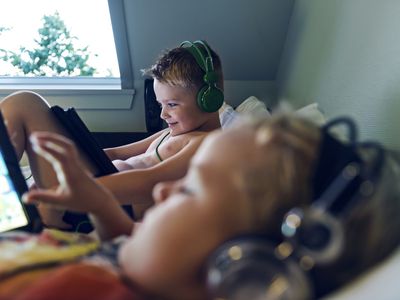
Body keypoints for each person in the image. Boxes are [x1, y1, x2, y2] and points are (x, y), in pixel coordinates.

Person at [21, 113, 400, 299]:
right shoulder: (156, 278)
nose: (162, 193)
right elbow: (128, 252)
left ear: (243, 275)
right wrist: (101, 206)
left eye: (188, 191)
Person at [0, 40, 224, 227]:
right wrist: (63, 165)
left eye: (172, 104)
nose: (163, 114)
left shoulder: (207, 145)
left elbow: (149, 184)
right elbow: (116, 152)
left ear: (209, 99)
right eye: (160, 104)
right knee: (23, 103)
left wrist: (70, 189)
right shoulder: (173, 133)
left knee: (24, 104)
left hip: (102, 207)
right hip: (92, 185)